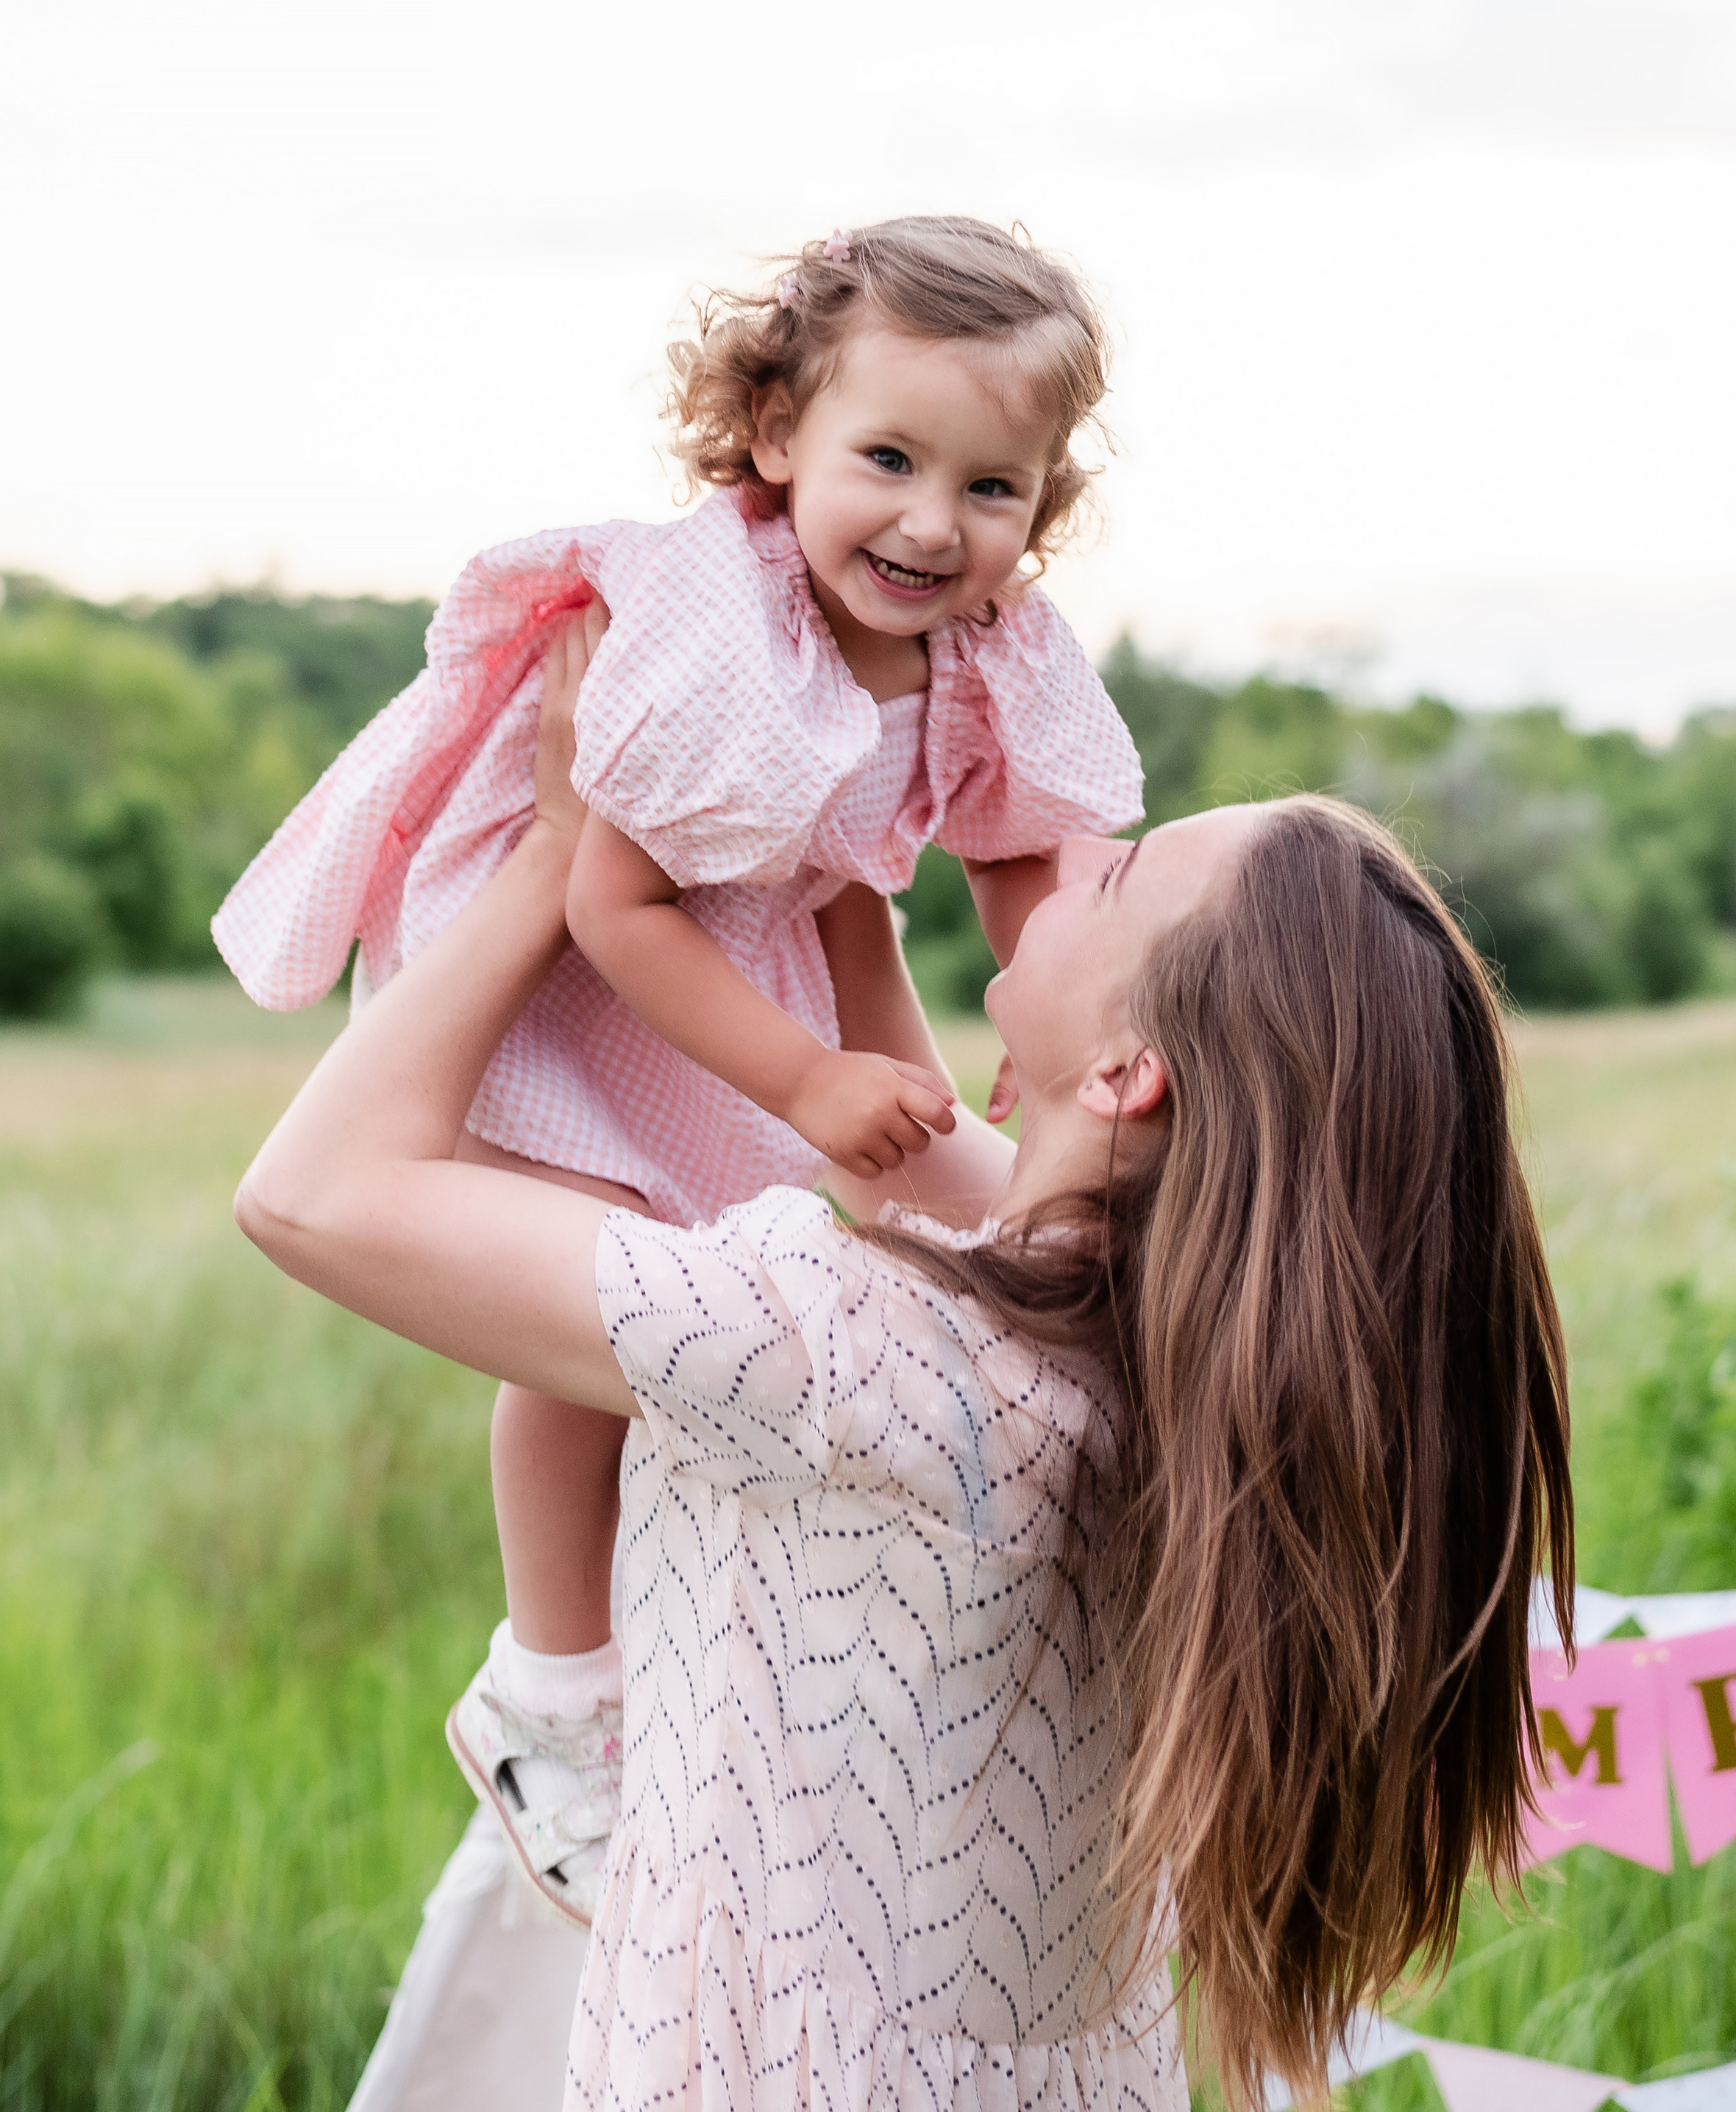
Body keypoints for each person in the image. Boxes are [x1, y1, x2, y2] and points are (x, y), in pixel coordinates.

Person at [235, 611, 1574, 2112]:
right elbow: (951, 1190)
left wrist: (559, 854)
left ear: (1128, 1074)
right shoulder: (1172, 1361)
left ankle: (548, 1723)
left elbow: (310, 1193)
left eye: (1112, 878)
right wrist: (847, 894)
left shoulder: (844, 1348)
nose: (1060, 866)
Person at [213, 216, 1143, 1916]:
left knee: (795, 1290)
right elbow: (614, 898)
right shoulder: (716, 631)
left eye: (991, 486)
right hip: (590, 966)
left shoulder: (990, 646)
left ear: (1041, 501)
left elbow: (1028, 854)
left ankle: (677, 1647)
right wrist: (802, 1084)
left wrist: (1080, 1008)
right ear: (776, 433)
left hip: (766, 957)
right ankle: (552, 1690)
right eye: (888, 459)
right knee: (592, 1330)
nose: (935, 523)